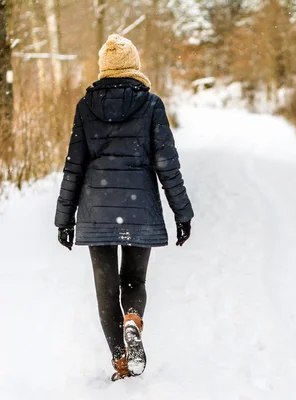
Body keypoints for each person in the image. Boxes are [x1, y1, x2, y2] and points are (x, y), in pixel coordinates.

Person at [53, 34, 194, 381]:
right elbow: (167, 164)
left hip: (96, 209)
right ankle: (133, 318)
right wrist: (182, 212)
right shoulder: (151, 105)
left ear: (104, 67)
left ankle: (120, 361)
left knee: (106, 290)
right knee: (134, 278)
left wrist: (64, 218)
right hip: (139, 208)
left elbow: (75, 165)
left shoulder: (86, 106)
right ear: (134, 65)